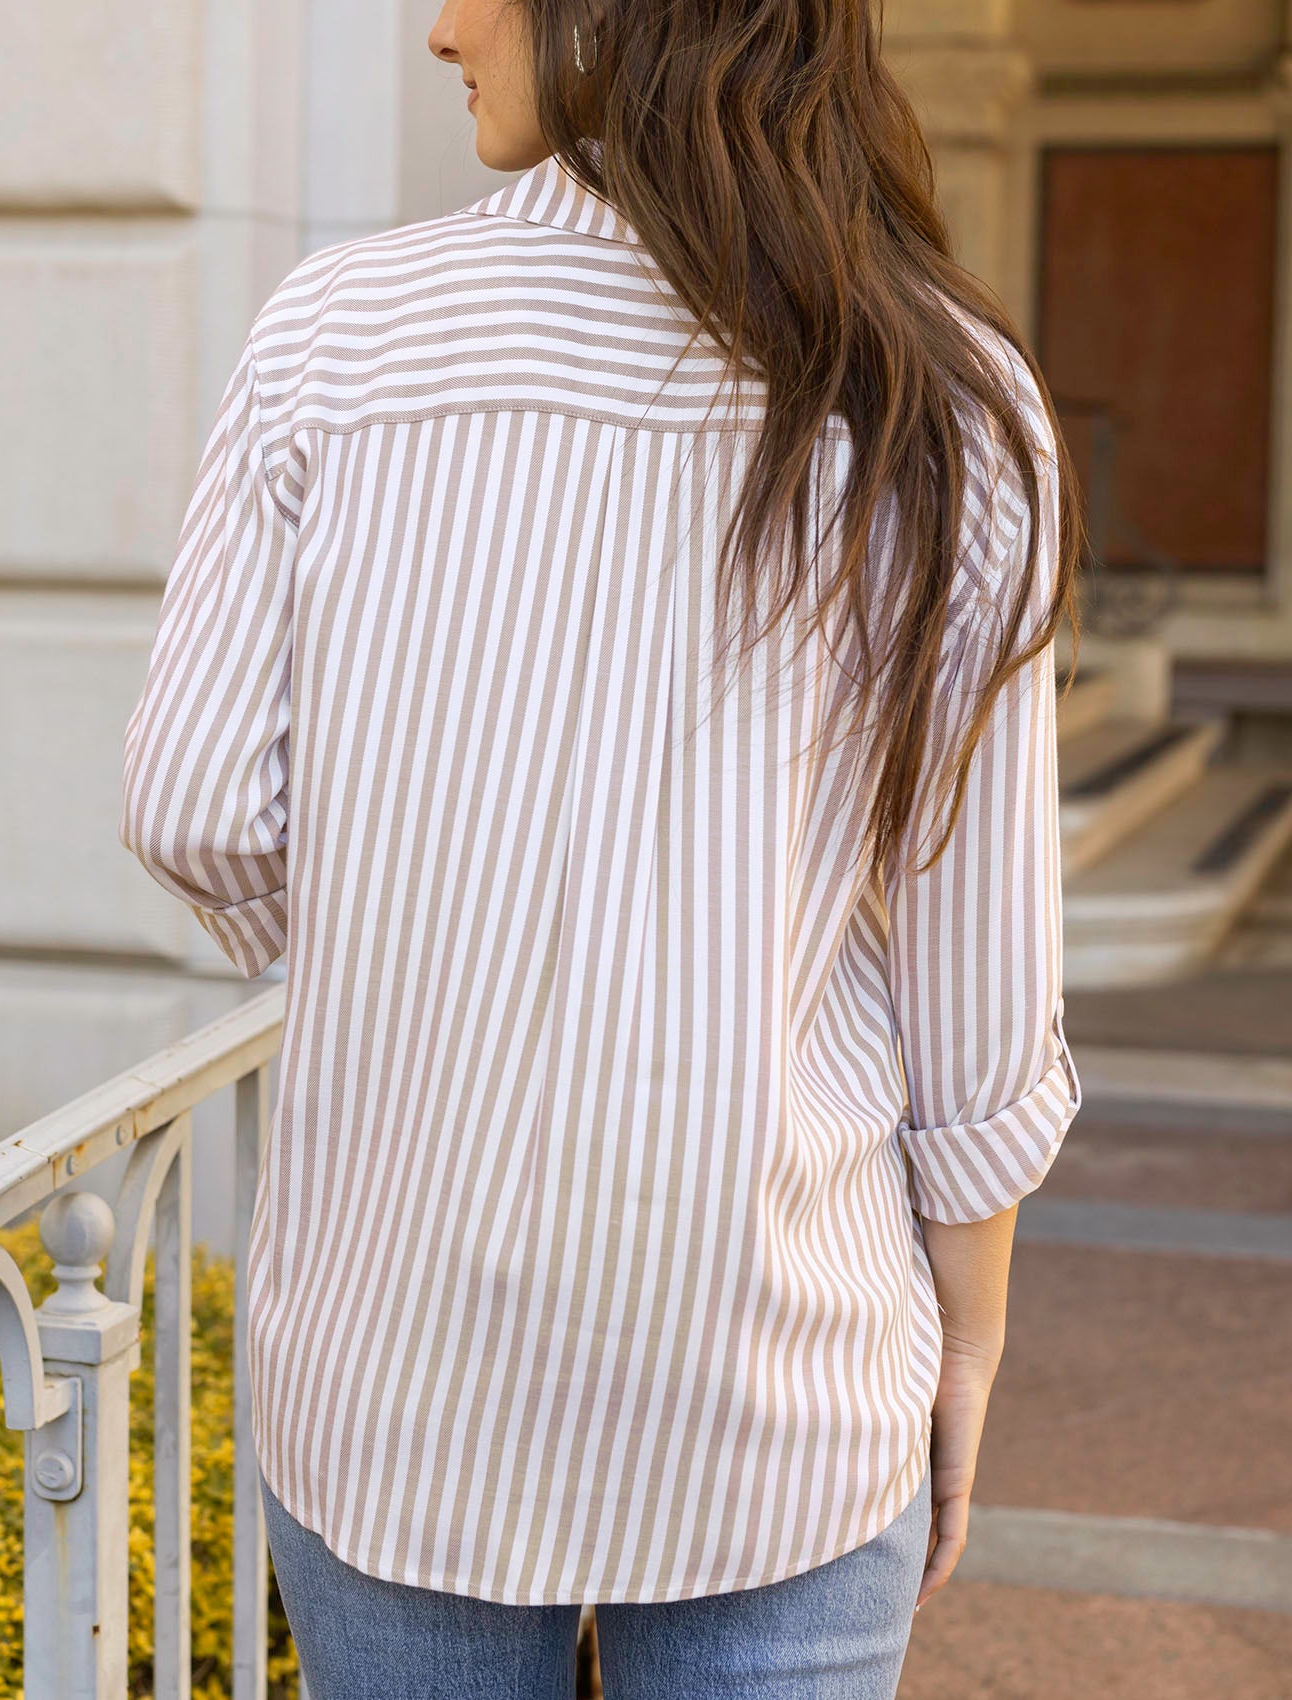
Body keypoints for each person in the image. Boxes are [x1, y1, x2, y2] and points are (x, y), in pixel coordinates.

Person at [118, 0, 1085, 1691]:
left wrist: (414, 926)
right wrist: (972, 1341)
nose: (438, 28)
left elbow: (196, 810)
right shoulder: (946, 389)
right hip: (780, 1384)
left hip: (395, 1375)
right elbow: (977, 989)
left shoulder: (336, 338)